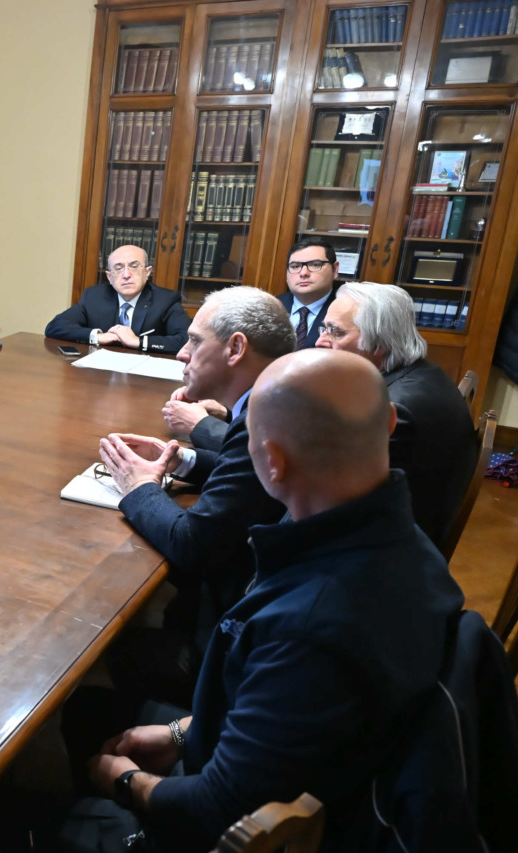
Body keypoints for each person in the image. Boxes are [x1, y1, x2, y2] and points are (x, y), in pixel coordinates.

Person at [58, 349, 465, 853]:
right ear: (386, 422)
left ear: (272, 461)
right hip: (327, 765)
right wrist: (181, 732)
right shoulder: (406, 544)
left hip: (255, 826)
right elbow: (286, 708)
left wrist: (123, 780)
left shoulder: (310, 625)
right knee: (89, 713)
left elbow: (217, 808)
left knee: (44, 803)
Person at [97, 286, 295, 704]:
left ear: (236, 348)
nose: (183, 354)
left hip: (232, 646)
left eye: (194, 341)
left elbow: (192, 544)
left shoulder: (264, 416)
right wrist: (182, 459)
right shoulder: (280, 397)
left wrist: (138, 487)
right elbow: (248, 476)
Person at [316, 281, 477, 551]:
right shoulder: (422, 374)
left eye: (336, 332)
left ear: (379, 343)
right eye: (324, 328)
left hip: (383, 555)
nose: (321, 341)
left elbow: (332, 498)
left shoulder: (396, 411)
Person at [160, 237, 339, 443]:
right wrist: (228, 413)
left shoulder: (342, 317)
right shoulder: (269, 307)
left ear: (335, 269)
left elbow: (255, 446)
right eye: (295, 266)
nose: (304, 273)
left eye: (315, 265)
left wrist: (203, 425)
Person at [44, 245, 190, 354]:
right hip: (101, 377)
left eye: (134, 266)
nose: (126, 275)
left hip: (143, 380)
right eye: (118, 268)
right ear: (109, 277)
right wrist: (98, 336)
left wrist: (137, 341)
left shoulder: (165, 300)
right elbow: (55, 327)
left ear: (147, 272)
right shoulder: (94, 297)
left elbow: (187, 340)